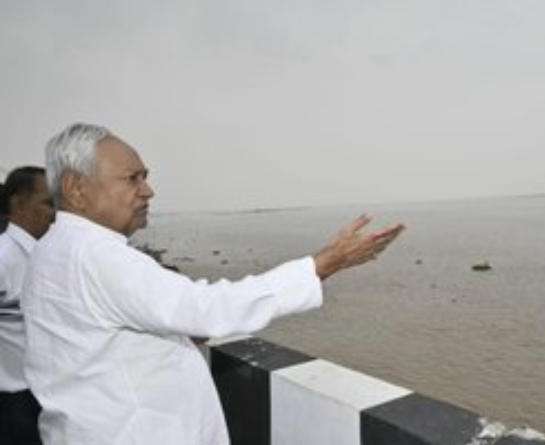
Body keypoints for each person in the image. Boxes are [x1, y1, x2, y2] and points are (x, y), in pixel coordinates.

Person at [22, 123, 405, 445]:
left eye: (146, 177)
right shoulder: (96, 256)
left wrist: (179, 331)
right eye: (131, 178)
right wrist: (323, 264)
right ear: (76, 188)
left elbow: (110, 330)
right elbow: (208, 308)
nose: (147, 190)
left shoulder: (51, 249)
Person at [0, 166, 54, 445]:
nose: (55, 212)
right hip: (17, 403)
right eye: (47, 203)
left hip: (48, 395)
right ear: (18, 203)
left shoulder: (46, 256)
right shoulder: (4, 258)